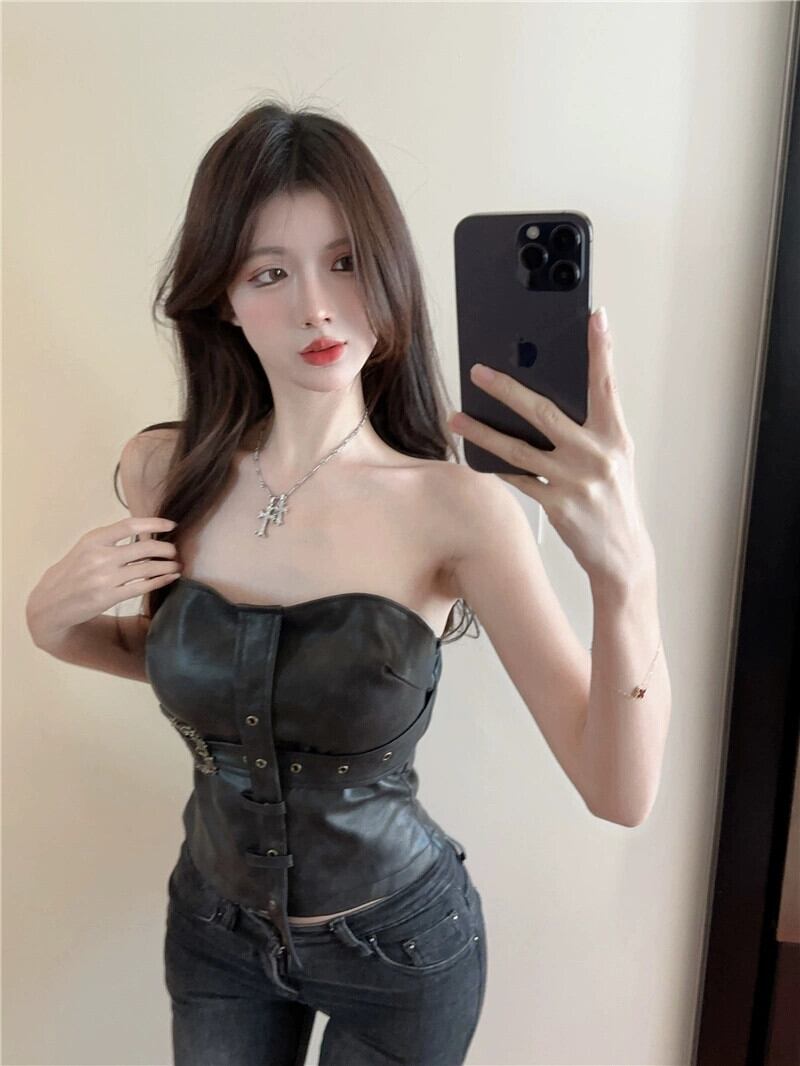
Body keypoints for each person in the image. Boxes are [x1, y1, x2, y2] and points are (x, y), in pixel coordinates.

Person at [25, 98, 667, 1065]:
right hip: (212, 932)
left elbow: (619, 791)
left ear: (392, 273)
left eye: (346, 261)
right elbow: (203, 669)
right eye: (269, 272)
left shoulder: (460, 511)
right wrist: (48, 623)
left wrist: (628, 577)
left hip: (399, 951)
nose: (317, 308)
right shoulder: (167, 472)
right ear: (222, 300)